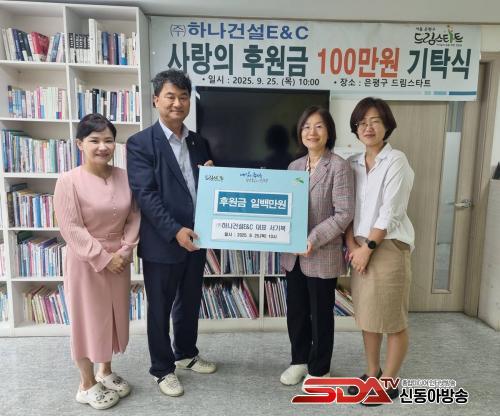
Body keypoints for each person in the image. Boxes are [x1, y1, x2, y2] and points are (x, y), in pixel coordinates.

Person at [126, 69, 216, 398]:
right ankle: (162, 369)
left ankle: (186, 353)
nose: (177, 103)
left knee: (189, 301)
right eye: (170, 96)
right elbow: (145, 195)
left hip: (197, 238)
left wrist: (213, 176)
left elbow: (207, 189)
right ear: (156, 100)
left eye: (183, 97)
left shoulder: (198, 142)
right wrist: (175, 230)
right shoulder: (140, 143)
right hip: (163, 241)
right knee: (160, 308)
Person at [54, 113, 140, 410]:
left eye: (109, 140)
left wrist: (125, 251)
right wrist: (103, 258)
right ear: (80, 144)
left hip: (120, 259)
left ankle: (105, 371)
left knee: (112, 317)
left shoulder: (125, 176)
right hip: (86, 261)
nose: (103, 146)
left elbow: (134, 216)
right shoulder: (68, 181)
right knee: (87, 319)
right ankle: (86, 383)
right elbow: (71, 228)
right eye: (94, 140)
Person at [345, 97, 414, 405]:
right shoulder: (352, 163)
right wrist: (352, 246)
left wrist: (368, 248)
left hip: (387, 246)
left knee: (392, 319)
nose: (368, 127)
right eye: (362, 122)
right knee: (368, 316)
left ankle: (389, 382)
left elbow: (390, 211)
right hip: (359, 247)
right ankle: (372, 372)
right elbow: (345, 209)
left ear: (387, 125)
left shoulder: (396, 160)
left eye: (374, 121)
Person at [279, 106, 355, 385]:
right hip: (293, 257)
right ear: (300, 132)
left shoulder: (339, 166)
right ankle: (299, 360)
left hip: (321, 253)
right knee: (297, 313)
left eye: (319, 126)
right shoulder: (294, 167)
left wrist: (312, 238)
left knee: (321, 316)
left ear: (329, 132)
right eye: (306, 126)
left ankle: (320, 369)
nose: (312, 132)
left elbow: (344, 213)